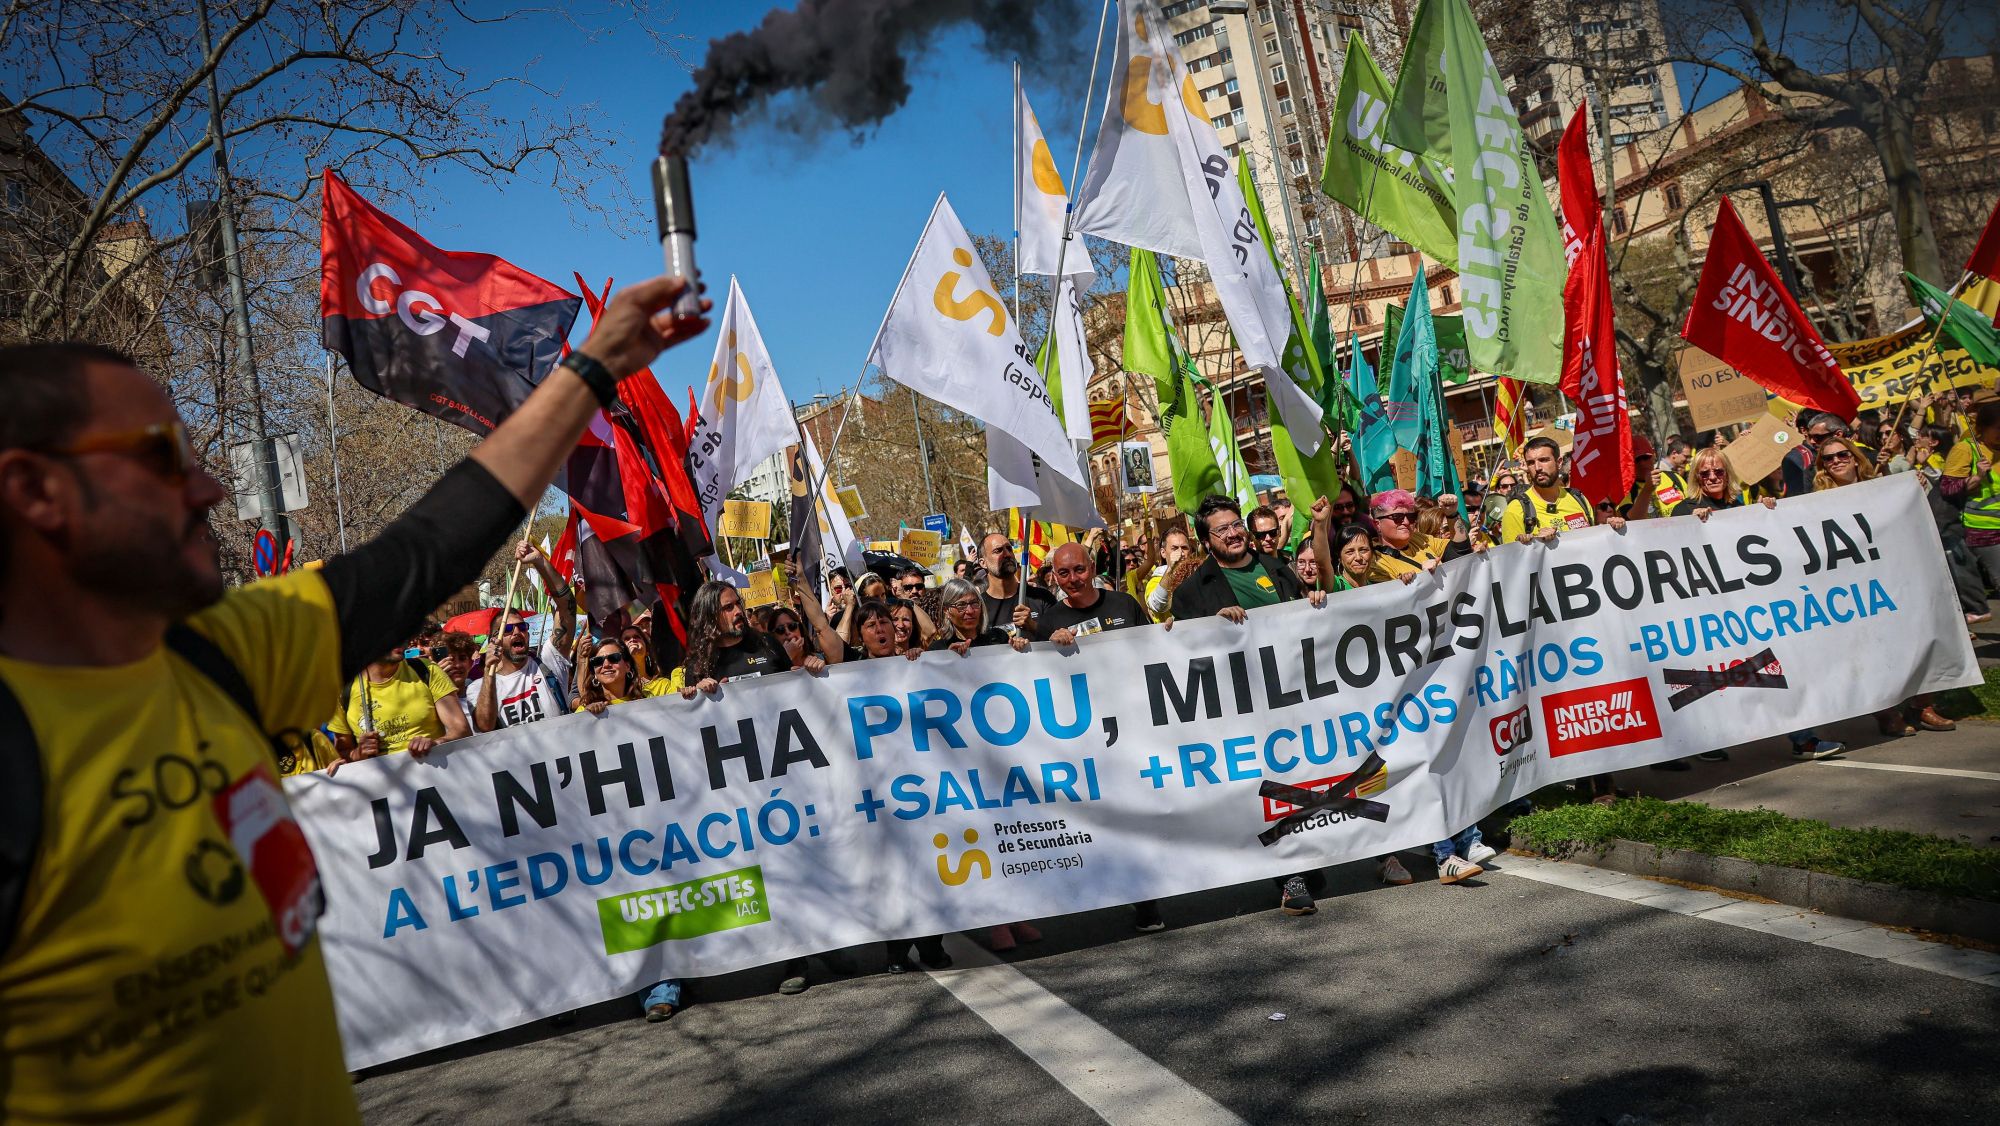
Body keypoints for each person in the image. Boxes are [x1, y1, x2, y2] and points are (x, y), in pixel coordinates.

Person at [0, 276, 711, 1122]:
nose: (208, 490)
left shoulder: (221, 655)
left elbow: (428, 551)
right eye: (161, 456)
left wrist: (598, 365)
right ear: (34, 491)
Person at [1171, 496, 1330, 917]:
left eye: (1235, 525)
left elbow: (1317, 606)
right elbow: (1181, 654)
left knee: (1304, 778)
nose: (1233, 533)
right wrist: (1211, 628)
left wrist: (1312, 604)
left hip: (1296, 696)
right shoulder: (1191, 593)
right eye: (1221, 530)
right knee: (1270, 789)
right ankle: (1290, 876)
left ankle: (1307, 857)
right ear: (1206, 541)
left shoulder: (1277, 568)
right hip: (1243, 708)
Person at [1812, 433, 1956, 738]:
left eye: (1842, 455)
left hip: (1894, 577)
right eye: (1829, 458)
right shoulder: (1813, 502)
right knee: (1872, 650)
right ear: (1822, 466)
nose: (1837, 461)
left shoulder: (1882, 488)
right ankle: (1886, 713)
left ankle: (1923, 706)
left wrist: (1911, 487)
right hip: (1854, 589)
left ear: (1854, 457)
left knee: (1918, 637)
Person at [468, 541, 577, 732]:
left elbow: (567, 608)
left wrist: (539, 562)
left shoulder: (549, 664)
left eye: (521, 627)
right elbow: (485, 725)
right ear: (494, 639)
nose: (517, 632)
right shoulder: (478, 687)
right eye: (508, 629)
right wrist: (488, 672)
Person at [328, 638, 471, 769]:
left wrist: (436, 743)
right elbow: (343, 752)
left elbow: (462, 731)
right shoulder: (343, 691)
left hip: (435, 778)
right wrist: (358, 753)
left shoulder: (426, 670)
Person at [1500, 436, 1618, 541]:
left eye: (1544, 460)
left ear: (1559, 462)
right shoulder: (1515, 509)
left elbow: (1595, 541)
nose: (1537, 467)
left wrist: (1612, 528)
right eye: (1531, 463)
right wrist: (1537, 543)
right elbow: (1512, 561)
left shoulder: (1579, 499)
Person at [1365, 489, 1477, 583]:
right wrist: (1424, 578)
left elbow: (1461, 552)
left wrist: (1452, 514)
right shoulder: (1374, 561)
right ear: (1377, 524)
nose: (1406, 522)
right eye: (1397, 517)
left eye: (1411, 516)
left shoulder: (1419, 538)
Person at [977, 531, 1057, 639]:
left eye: (1009, 549)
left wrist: (1033, 626)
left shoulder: (1042, 597)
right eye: (998, 550)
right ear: (983, 563)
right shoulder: (977, 608)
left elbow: (1060, 638)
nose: (1007, 554)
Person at [1142, 526, 1194, 621]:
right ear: (1163, 552)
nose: (1181, 553)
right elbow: (1158, 605)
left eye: (1184, 548)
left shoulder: (1195, 575)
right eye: (1174, 548)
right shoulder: (1155, 582)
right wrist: (1171, 568)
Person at [436, 629, 481, 728]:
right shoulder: (434, 702)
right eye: (451, 659)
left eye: (462, 658)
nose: (457, 665)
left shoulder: (481, 694)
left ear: (470, 663)